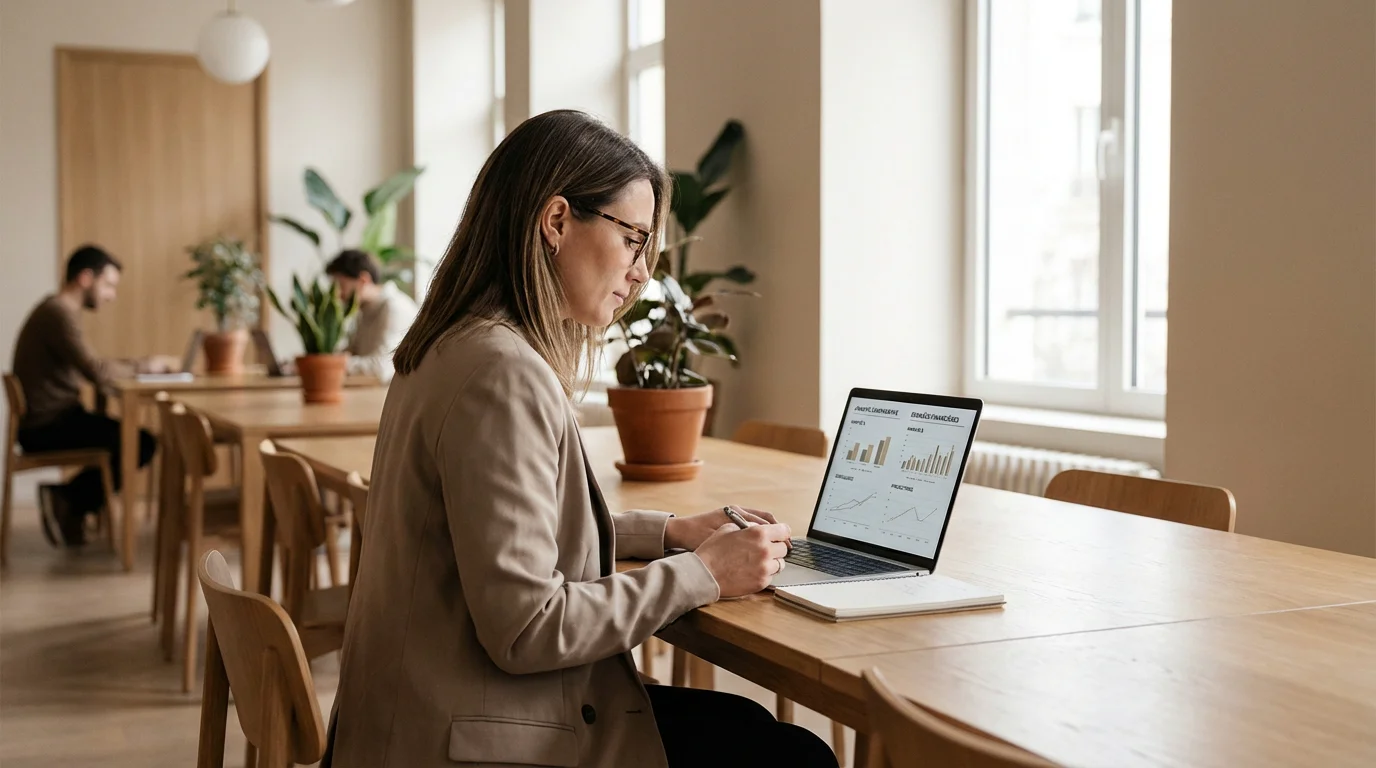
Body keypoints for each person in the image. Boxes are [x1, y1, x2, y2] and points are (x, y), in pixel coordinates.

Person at [325, 111, 837, 768]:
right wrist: (705, 573)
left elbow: (501, 536)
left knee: (750, 731)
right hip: (473, 735)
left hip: (418, 714)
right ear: (557, 221)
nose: (642, 272)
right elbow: (528, 626)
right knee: (789, 755)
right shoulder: (500, 372)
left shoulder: (450, 345)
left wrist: (670, 534)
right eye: (634, 240)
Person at [11, 246, 171, 546]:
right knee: (140, 442)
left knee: (131, 439)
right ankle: (67, 499)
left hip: (52, 419)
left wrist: (134, 366)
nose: (111, 295)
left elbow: (93, 369)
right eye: (108, 285)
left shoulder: (57, 311)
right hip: (45, 427)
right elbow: (96, 370)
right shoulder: (58, 314)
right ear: (86, 278)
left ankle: (70, 503)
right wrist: (145, 365)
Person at [323, 249, 419, 383]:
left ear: (363, 280)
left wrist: (331, 364)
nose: (337, 295)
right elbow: (353, 351)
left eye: (341, 285)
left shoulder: (394, 307)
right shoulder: (364, 310)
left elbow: (381, 368)